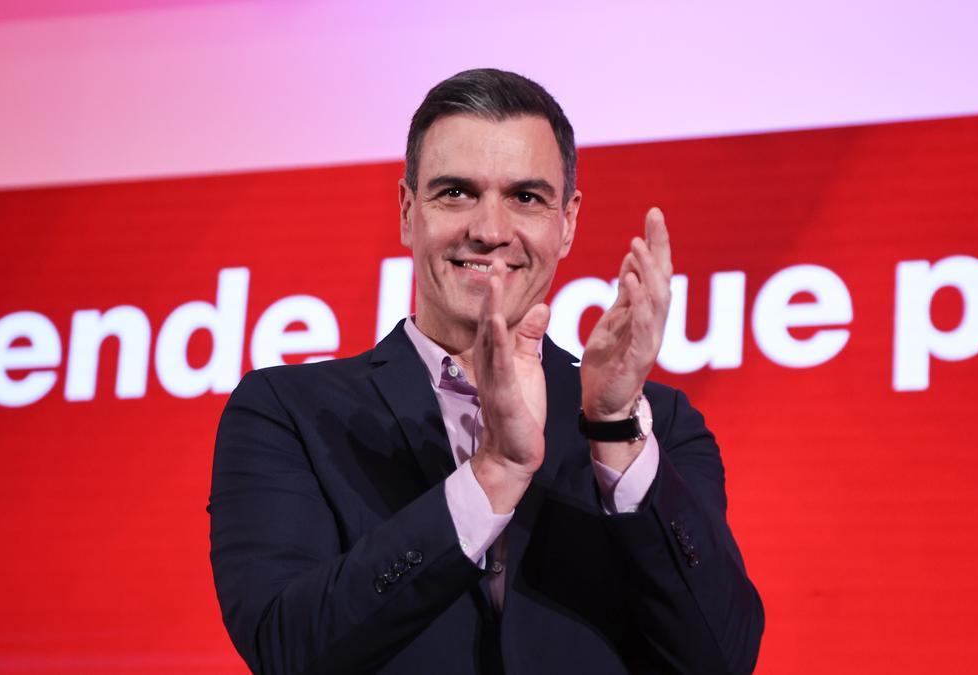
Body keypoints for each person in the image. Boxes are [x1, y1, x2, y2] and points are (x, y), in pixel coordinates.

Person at [209, 68, 764, 675]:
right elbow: (288, 649)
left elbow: (720, 659)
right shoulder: (289, 413)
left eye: (526, 197)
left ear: (568, 221)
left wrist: (610, 426)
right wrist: (492, 475)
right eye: (455, 193)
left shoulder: (655, 427)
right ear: (406, 210)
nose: (490, 231)